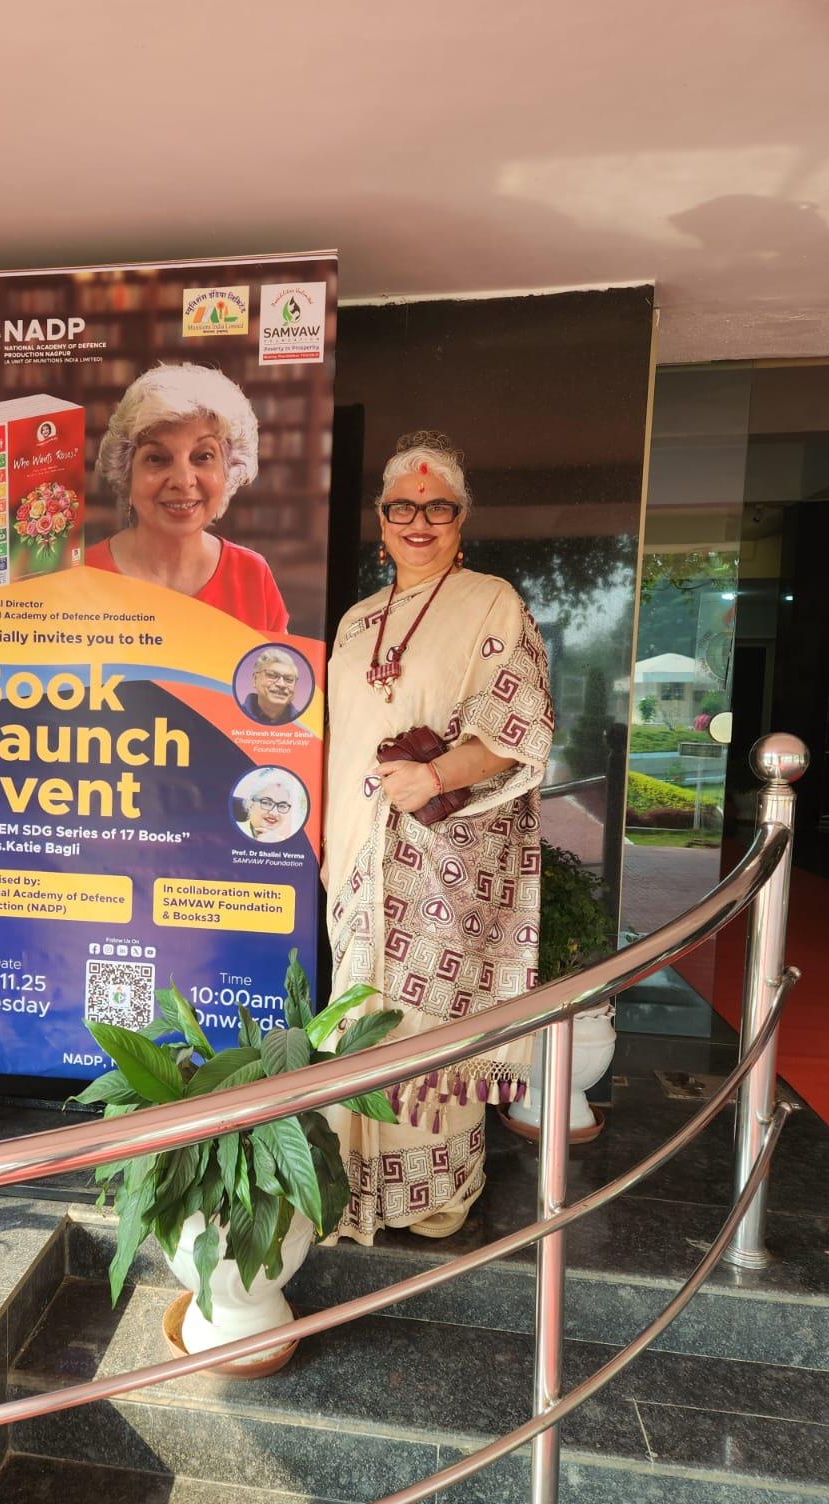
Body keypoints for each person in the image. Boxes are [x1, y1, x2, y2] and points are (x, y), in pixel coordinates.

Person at [323, 431, 552, 1242]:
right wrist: (330, 840)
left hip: (444, 859)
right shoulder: (356, 621)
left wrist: (438, 775)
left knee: (427, 1028)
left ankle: (434, 1196)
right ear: (380, 519)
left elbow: (522, 727)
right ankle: (353, 1187)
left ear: (461, 519)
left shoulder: (492, 602)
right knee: (360, 1016)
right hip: (358, 855)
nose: (418, 523)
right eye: (402, 508)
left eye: (438, 508)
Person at [91, 363, 288, 631]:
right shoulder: (83, 574)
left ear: (228, 468)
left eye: (203, 456)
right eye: (157, 458)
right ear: (126, 472)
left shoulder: (252, 574)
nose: (183, 481)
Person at [234, 769, 303, 843]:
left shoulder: (283, 840)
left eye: (282, 806)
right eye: (267, 803)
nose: (274, 813)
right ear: (250, 803)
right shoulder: (234, 833)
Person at [241, 648, 306, 725]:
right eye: (272, 675)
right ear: (255, 679)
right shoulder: (236, 715)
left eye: (289, 679)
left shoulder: (304, 724)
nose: (281, 684)